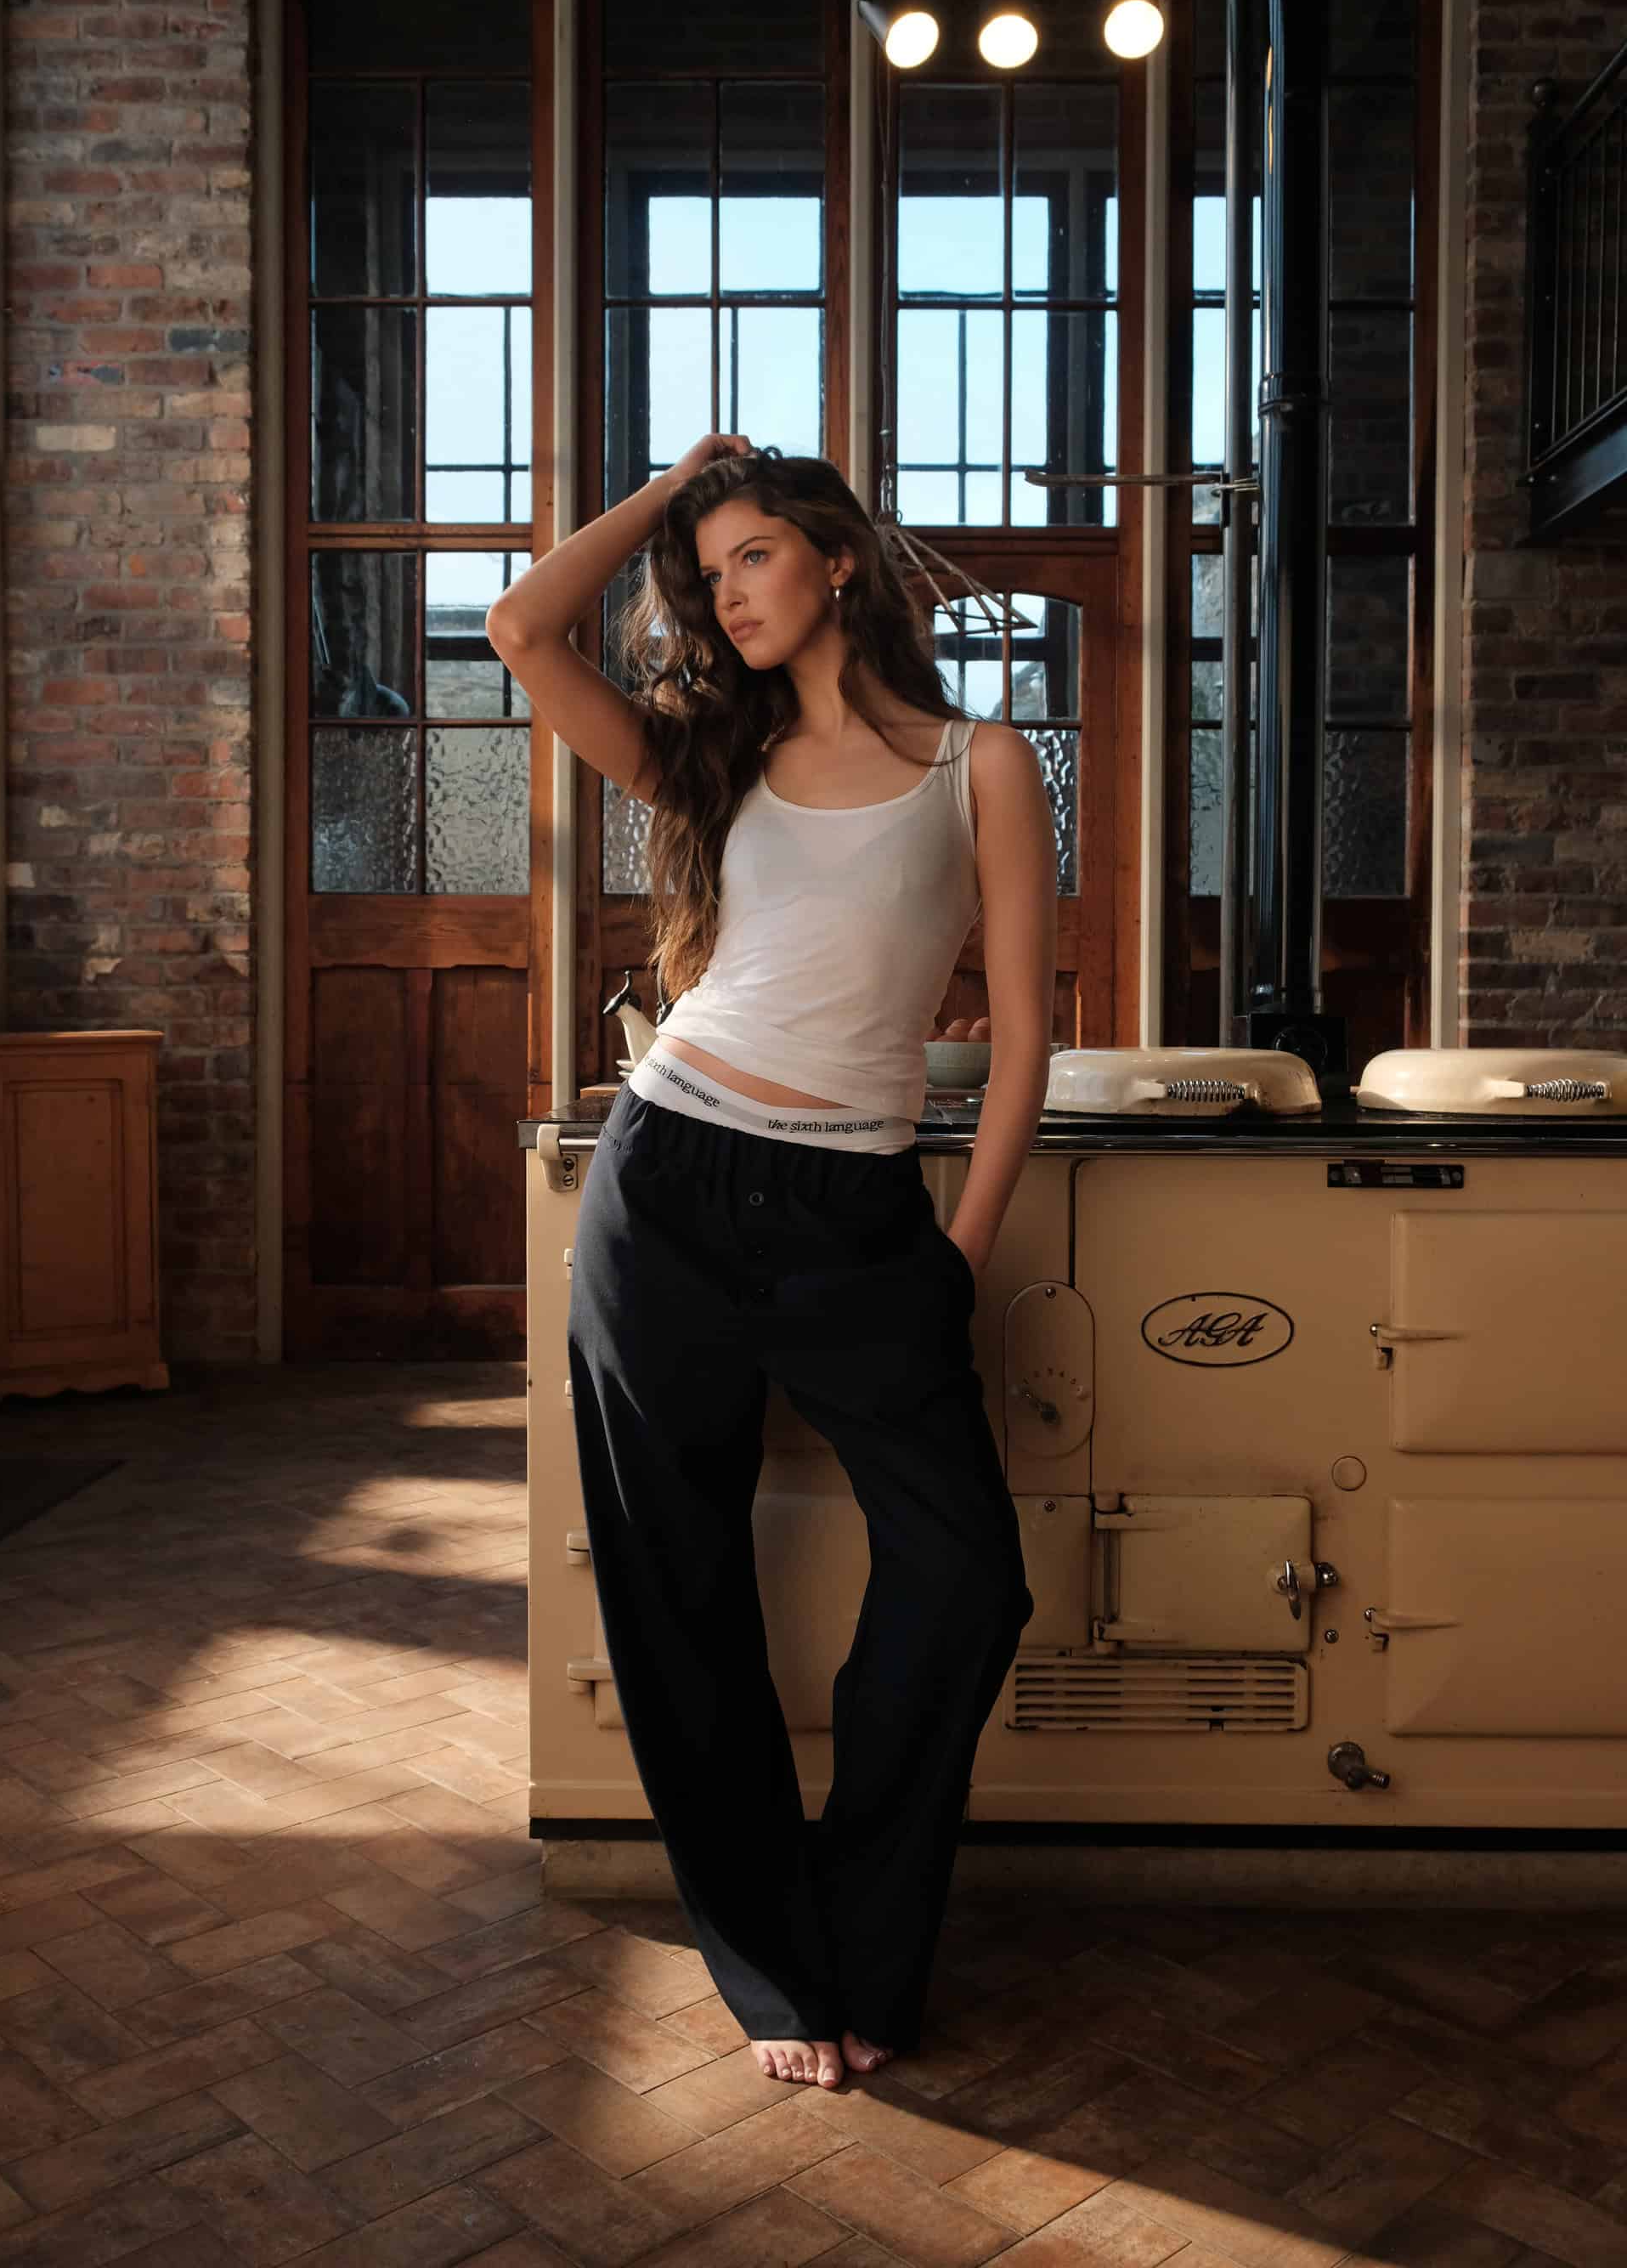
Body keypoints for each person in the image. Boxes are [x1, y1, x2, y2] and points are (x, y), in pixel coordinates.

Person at [488, 435, 1055, 2092]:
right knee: (678, 1591)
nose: (726, 593)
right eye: (708, 569)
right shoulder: (709, 764)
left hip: (860, 1219)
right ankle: (779, 1975)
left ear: (840, 565)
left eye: (752, 557)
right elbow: (526, 630)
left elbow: (1022, 1038)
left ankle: (870, 1945)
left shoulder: (980, 763)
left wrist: (959, 1251)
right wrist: (669, 493)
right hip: (664, 1188)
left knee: (966, 1579)